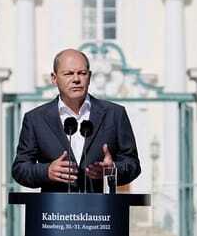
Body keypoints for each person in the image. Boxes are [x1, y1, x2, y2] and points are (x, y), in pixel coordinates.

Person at [12, 48, 141, 193]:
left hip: (101, 211)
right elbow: (20, 168)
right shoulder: (35, 119)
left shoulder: (115, 114)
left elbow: (133, 164)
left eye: (82, 73)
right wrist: (47, 171)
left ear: (89, 76)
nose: (76, 79)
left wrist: (113, 170)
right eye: (68, 74)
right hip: (55, 212)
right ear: (54, 78)